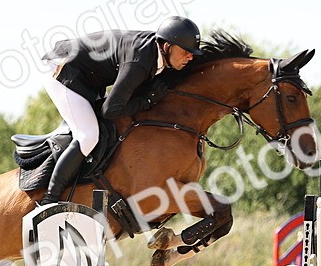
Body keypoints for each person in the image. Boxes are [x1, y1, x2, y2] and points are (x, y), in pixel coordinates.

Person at [36, 15, 203, 205]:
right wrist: (148, 100)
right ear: (166, 47)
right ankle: (49, 199)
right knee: (88, 135)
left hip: (86, 76)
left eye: (192, 53)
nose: (190, 57)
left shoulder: (157, 54)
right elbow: (111, 110)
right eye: (186, 52)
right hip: (61, 69)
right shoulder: (140, 61)